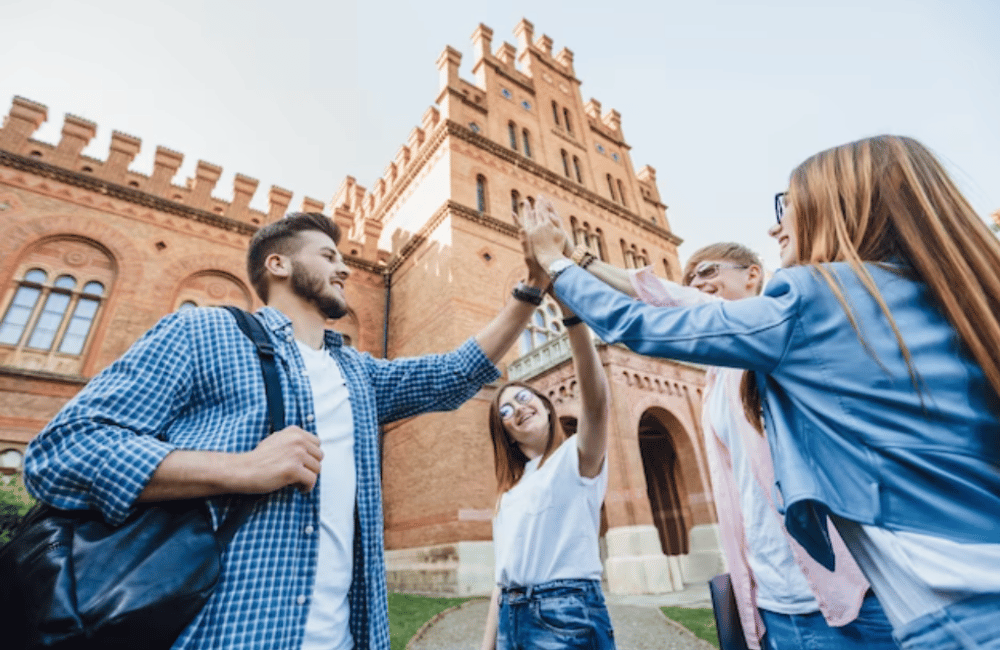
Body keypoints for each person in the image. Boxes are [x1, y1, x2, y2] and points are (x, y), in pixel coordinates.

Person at [522, 135, 1000, 650]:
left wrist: (557, 265)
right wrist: (586, 261)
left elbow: (640, 323)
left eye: (787, 205)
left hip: (937, 622)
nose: (775, 226)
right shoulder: (938, 294)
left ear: (839, 207)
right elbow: (674, 301)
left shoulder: (815, 295)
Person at [23, 212, 549, 650]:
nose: (344, 268)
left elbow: (455, 373)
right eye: (328, 256)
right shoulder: (204, 332)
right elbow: (62, 451)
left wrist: (531, 288)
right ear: (278, 264)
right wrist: (241, 469)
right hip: (223, 636)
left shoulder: (358, 374)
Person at [563, 237, 896, 648]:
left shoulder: (787, 324)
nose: (696, 282)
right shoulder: (716, 376)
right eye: (690, 276)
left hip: (847, 597)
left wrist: (572, 261)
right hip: (773, 603)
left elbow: (674, 306)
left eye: (708, 271)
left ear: (753, 276)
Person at [479, 208, 615, 650]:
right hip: (513, 617)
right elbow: (502, 579)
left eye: (524, 398)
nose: (517, 409)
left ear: (545, 405)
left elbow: (595, 402)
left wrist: (571, 316)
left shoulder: (577, 459)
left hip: (566, 612)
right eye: (505, 412)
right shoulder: (509, 493)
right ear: (508, 436)